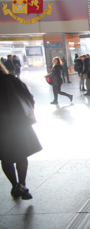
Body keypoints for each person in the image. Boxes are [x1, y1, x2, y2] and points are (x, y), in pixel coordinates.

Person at [0, 62, 42, 200]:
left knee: (5, 157)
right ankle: (23, 184)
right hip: (18, 123)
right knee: (21, 153)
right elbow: (29, 98)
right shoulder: (12, 80)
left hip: (2, 126)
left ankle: (14, 185)